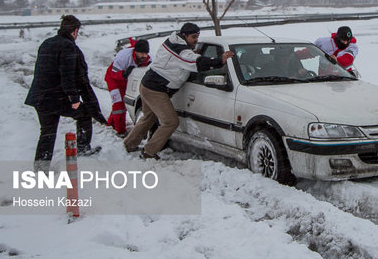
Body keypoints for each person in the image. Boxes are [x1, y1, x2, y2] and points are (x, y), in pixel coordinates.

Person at [123, 23, 234, 159]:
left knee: (148, 117)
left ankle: (129, 145)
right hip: (155, 90)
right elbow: (193, 62)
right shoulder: (180, 51)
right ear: (184, 36)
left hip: (148, 85)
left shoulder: (173, 41)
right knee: (171, 122)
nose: (196, 40)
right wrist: (219, 60)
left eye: (197, 36)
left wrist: (192, 53)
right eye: (193, 37)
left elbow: (185, 58)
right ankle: (148, 152)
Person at [25, 15, 107, 171]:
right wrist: (74, 99)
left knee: (47, 132)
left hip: (39, 96)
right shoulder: (68, 47)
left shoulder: (46, 43)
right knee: (83, 114)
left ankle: (41, 167)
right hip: (55, 96)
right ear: (75, 31)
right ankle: (83, 149)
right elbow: (67, 75)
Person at [104, 38, 151, 136]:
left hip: (126, 82)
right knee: (119, 105)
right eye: (141, 53)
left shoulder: (148, 60)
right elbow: (113, 73)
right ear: (135, 51)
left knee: (123, 104)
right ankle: (120, 131)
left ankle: (110, 123)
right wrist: (123, 74)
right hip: (114, 80)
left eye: (146, 53)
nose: (144, 56)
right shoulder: (123, 57)